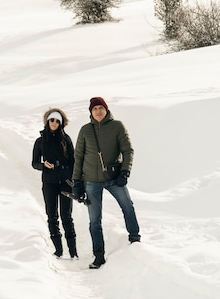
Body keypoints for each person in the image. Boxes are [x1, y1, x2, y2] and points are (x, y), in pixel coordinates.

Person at [72, 96, 140, 269]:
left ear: (106, 109)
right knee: (95, 220)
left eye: (101, 107)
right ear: (91, 112)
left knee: (127, 205)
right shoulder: (85, 130)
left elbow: (128, 150)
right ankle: (99, 255)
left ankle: (135, 238)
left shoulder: (117, 126)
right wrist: (77, 182)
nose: (98, 111)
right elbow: (78, 157)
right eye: (95, 109)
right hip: (91, 181)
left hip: (113, 179)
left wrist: (125, 171)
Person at [32, 107, 77, 258]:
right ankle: (58, 250)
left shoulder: (66, 139)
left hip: (65, 181)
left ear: (61, 123)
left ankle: (73, 252)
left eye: (58, 121)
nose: (54, 123)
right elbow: (34, 163)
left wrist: (74, 180)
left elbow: (73, 161)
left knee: (66, 215)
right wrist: (43, 165)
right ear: (47, 121)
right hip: (49, 182)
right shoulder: (40, 141)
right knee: (52, 215)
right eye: (52, 120)